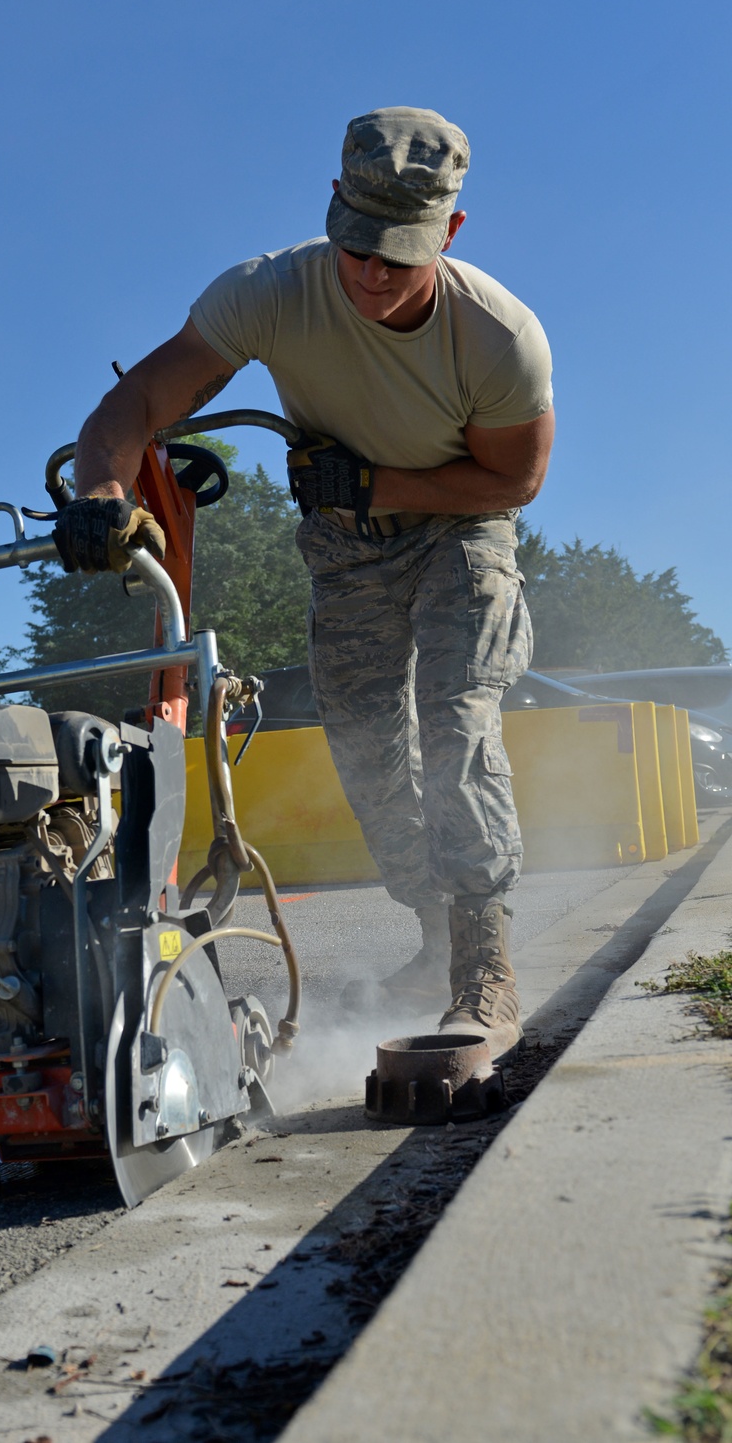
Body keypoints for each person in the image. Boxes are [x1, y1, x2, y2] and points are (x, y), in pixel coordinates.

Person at [56, 106, 554, 1061]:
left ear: (449, 234)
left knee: (455, 718)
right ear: (332, 205)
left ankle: (484, 966)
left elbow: (516, 480)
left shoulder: (499, 337)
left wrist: (378, 481)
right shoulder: (270, 293)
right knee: (368, 745)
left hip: (461, 531)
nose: (370, 273)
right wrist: (101, 492)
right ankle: (435, 933)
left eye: (398, 256)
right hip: (345, 546)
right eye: (356, 245)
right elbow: (136, 402)